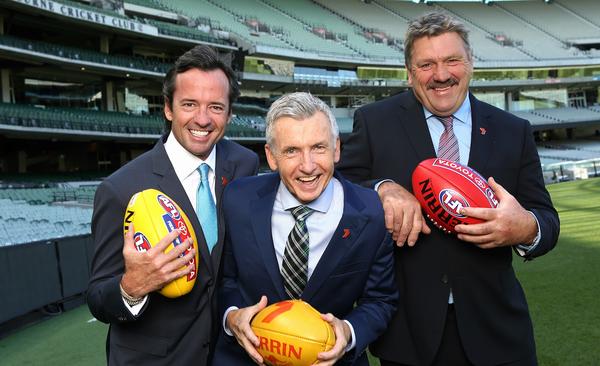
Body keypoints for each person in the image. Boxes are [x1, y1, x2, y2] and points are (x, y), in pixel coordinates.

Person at [337, 13, 560, 366]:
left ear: (470, 63)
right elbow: (339, 187)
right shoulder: (375, 122)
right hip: (410, 337)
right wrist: (382, 188)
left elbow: (547, 221)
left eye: (452, 60)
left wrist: (525, 228)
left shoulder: (512, 130)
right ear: (409, 73)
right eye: (426, 64)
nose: (441, 75)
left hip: (499, 334)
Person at [87, 44, 259, 365]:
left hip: (227, 353)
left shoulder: (244, 164)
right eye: (189, 104)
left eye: (216, 107)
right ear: (168, 108)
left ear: (230, 113)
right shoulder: (120, 189)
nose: (203, 119)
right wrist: (131, 288)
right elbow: (98, 298)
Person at [211, 92, 398, 366]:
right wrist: (232, 316)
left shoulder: (371, 211)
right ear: (271, 156)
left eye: (318, 148)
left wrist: (348, 331)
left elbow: (381, 300)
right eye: (291, 151)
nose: (307, 166)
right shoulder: (238, 199)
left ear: (336, 149)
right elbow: (225, 279)